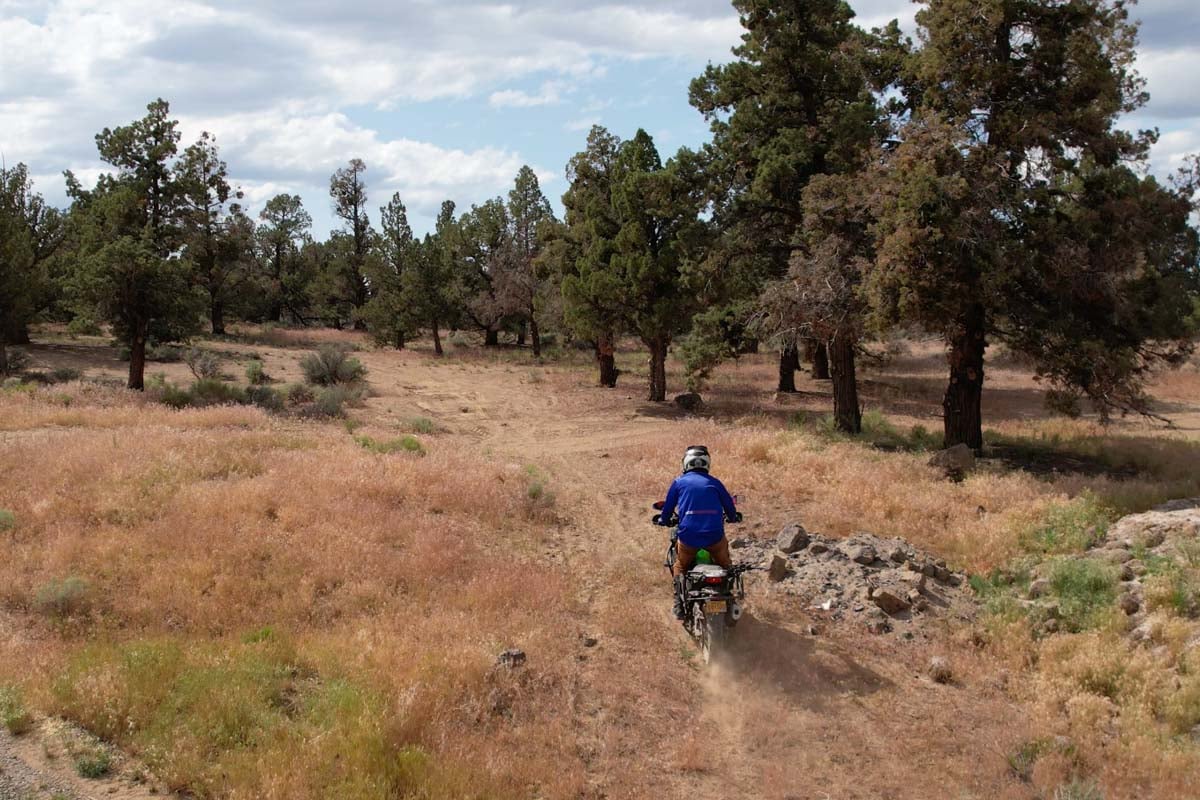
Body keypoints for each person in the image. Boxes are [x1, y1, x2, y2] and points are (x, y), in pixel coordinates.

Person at [656, 445, 739, 620]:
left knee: (680, 566)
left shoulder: (679, 482)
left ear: (686, 463)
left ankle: (679, 603)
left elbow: (668, 509)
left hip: (689, 538)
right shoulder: (715, 483)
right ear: (707, 463)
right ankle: (730, 599)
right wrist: (732, 517)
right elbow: (730, 508)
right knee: (726, 565)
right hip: (714, 538)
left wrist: (663, 520)